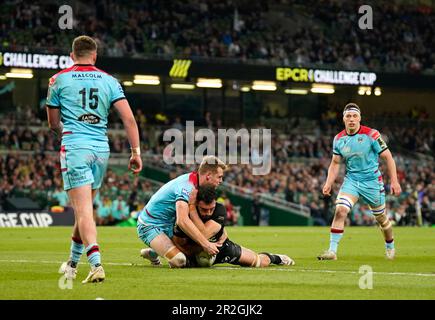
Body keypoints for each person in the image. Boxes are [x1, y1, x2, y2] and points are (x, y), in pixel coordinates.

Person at [47, 35, 142, 283]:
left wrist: (64, 135)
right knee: (84, 210)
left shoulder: (58, 80)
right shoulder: (109, 81)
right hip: (101, 150)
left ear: (71, 55)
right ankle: (72, 264)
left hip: (75, 147)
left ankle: (96, 263)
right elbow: (129, 119)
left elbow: (53, 122)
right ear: (95, 55)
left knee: (84, 211)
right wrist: (135, 153)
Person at [318, 103, 402, 261]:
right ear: (343, 119)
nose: (351, 119)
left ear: (359, 118)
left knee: (381, 219)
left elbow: (388, 157)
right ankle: (332, 251)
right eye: (348, 116)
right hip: (352, 181)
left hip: (372, 182)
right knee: (340, 210)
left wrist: (394, 181)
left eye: (354, 116)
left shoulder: (372, 134)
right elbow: (335, 163)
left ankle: (390, 247)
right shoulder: (338, 139)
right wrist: (328, 182)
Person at [143, 184, 295, 267]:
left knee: (258, 262)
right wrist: (190, 209)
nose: (209, 213)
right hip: (196, 252)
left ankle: (277, 258)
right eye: (204, 209)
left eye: (211, 208)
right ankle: (158, 252)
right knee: (180, 261)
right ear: (196, 204)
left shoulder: (220, 210)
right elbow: (178, 242)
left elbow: (203, 233)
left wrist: (212, 244)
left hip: (220, 248)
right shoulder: (184, 216)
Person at [137, 156, 225, 268]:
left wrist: (222, 233)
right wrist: (206, 244)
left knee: (190, 251)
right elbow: (182, 221)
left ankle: (154, 251)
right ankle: (155, 252)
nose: (221, 181)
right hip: (150, 225)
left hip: (169, 225)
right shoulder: (186, 187)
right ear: (208, 176)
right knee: (179, 261)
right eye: (219, 177)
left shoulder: (197, 184)